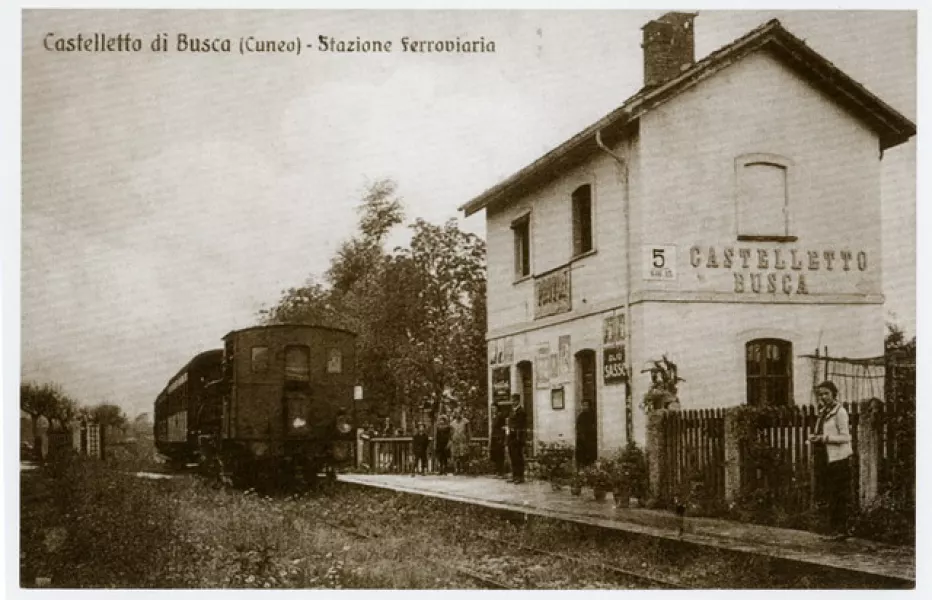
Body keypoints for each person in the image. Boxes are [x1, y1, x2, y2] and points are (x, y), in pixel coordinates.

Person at [809, 381, 853, 541]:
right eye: (820, 394)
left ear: (834, 394)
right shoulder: (823, 412)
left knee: (838, 496)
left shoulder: (840, 412)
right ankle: (834, 530)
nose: (823, 397)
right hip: (826, 459)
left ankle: (841, 530)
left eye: (826, 393)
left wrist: (824, 438)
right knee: (829, 495)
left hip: (839, 459)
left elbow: (846, 437)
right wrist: (814, 438)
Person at [507, 396, 527, 484]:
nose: (512, 402)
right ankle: (514, 475)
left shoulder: (521, 412)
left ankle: (520, 476)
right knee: (512, 457)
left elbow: (521, 425)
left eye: (514, 401)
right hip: (511, 438)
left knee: (518, 457)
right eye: (512, 400)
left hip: (518, 438)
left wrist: (513, 429)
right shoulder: (512, 411)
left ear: (518, 401)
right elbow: (510, 422)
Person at [575, 399, 597, 469]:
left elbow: (594, 427)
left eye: (586, 405)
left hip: (590, 439)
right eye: (583, 405)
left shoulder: (593, 415)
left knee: (591, 456)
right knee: (582, 457)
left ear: (589, 406)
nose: (584, 407)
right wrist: (580, 434)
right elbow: (578, 426)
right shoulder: (581, 416)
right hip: (582, 440)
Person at [449, 410, 471, 474]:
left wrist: (469, 439)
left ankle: (463, 469)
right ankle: (456, 469)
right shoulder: (452, 423)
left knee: (463, 455)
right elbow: (451, 433)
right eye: (456, 414)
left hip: (463, 440)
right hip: (455, 440)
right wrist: (451, 439)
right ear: (455, 415)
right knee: (455, 455)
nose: (458, 415)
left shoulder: (465, 421)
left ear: (461, 414)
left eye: (459, 413)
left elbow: (469, 431)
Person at [489, 405, 508, 477]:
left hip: (499, 438)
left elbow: (504, 428)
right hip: (494, 437)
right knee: (495, 454)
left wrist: (503, 438)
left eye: (494, 408)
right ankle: (498, 471)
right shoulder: (494, 417)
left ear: (497, 408)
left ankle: (501, 472)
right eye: (492, 409)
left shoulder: (501, 417)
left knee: (500, 454)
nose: (493, 410)